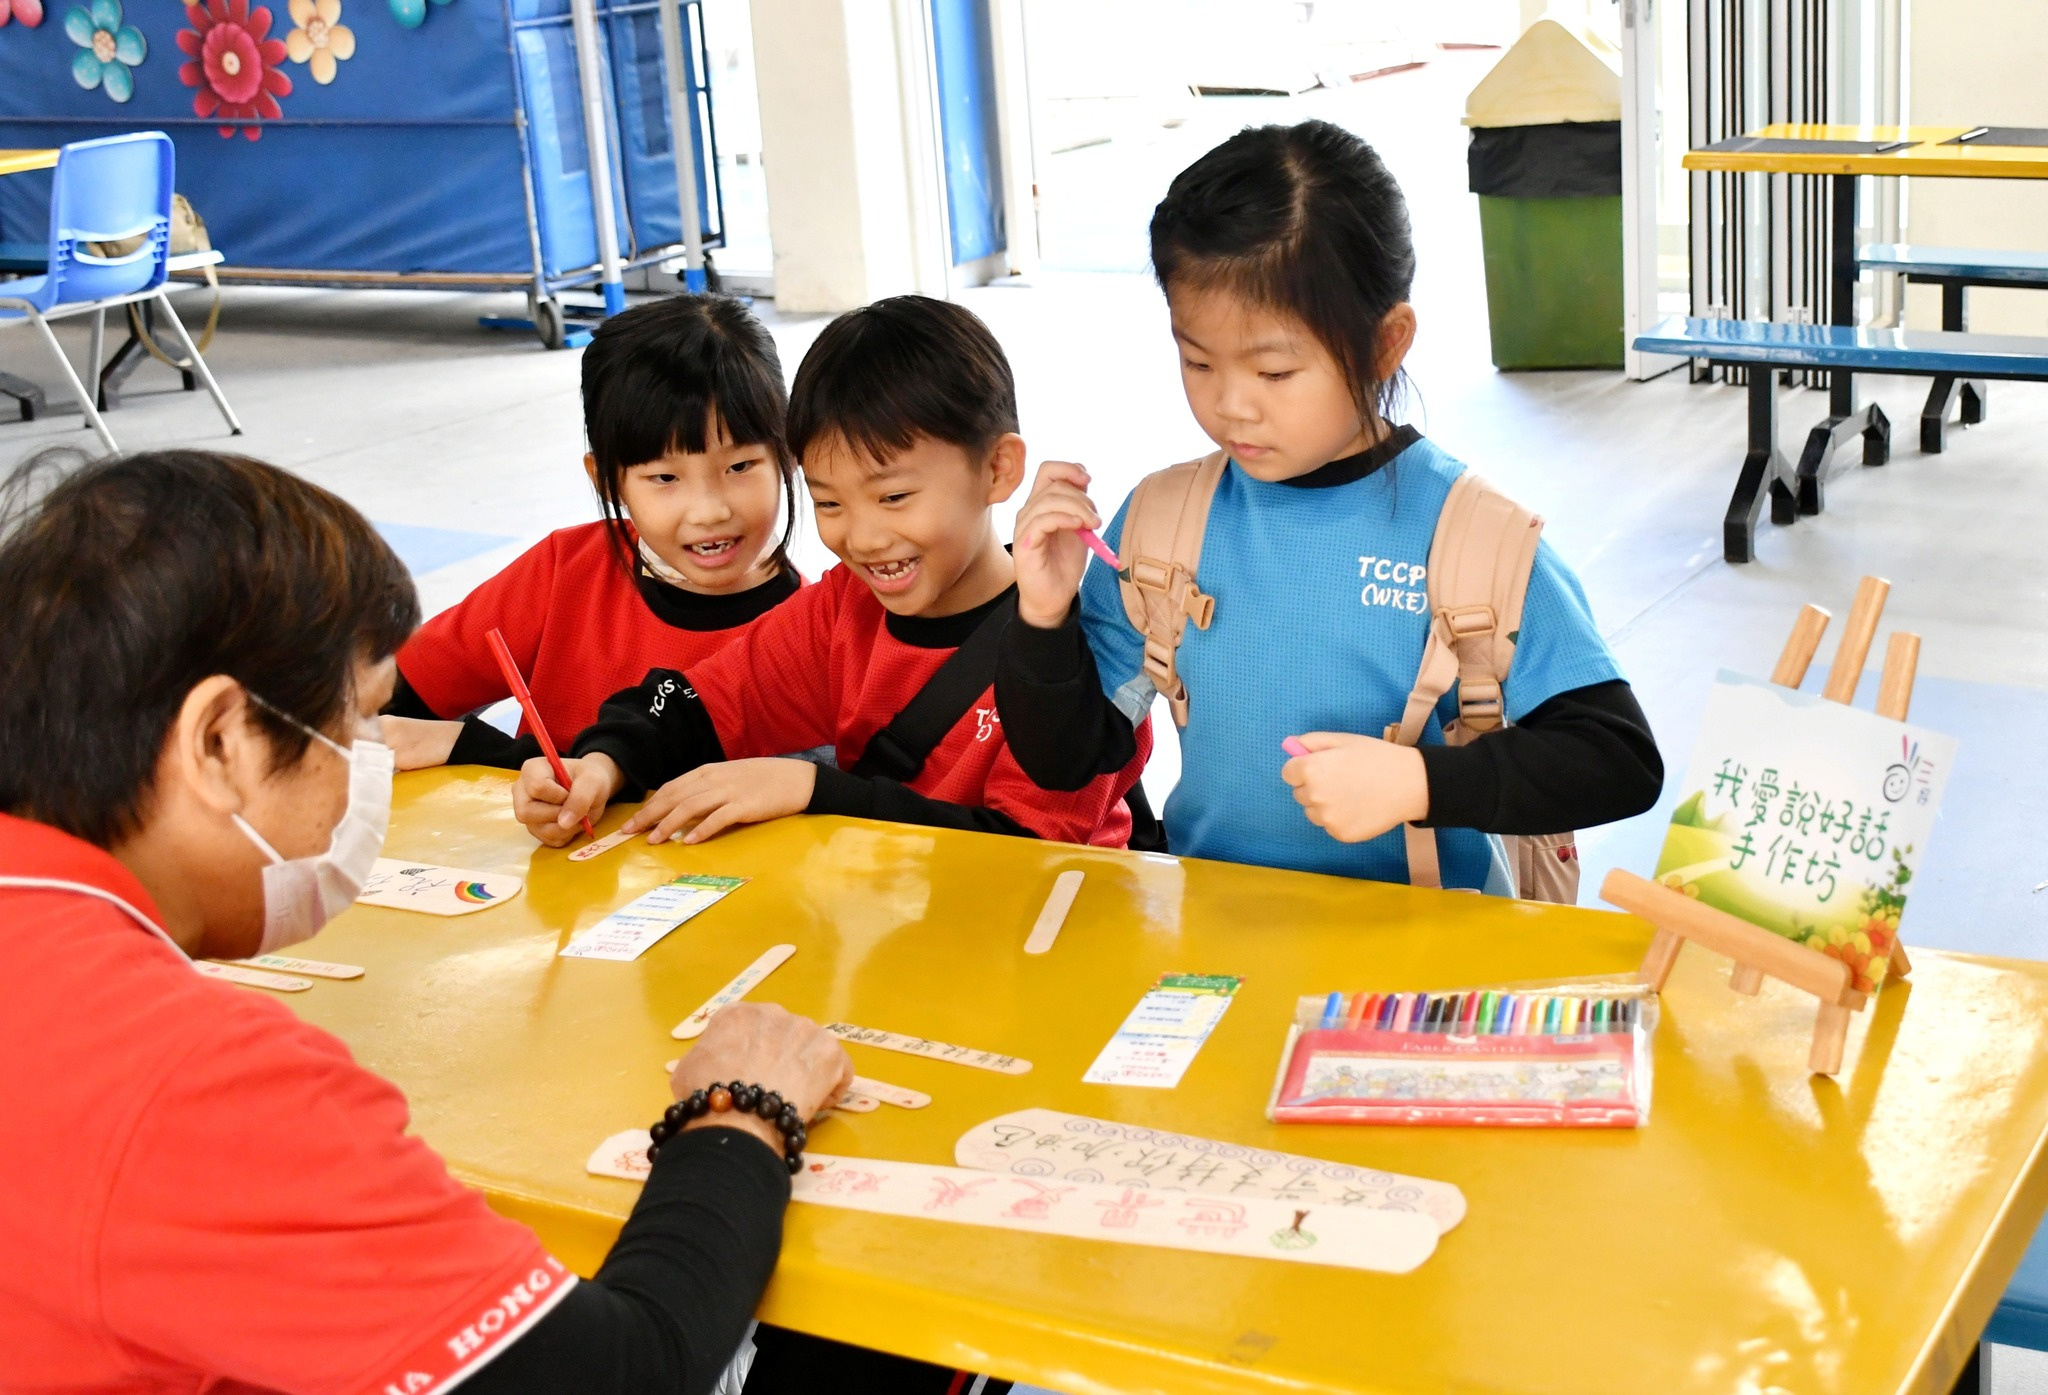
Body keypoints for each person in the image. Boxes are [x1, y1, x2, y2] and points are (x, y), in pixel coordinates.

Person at [0, 448, 853, 1395]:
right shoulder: (193, 1085)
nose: (366, 764)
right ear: (219, 742)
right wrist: (743, 1112)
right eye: (354, 727)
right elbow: (621, 1374)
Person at [997, 120, 1662, 891]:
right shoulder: (1161, 525)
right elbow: (1070, 759)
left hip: (1424, 949)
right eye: (1198, 361)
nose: (1231, 404)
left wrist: (1422, 782)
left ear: (1385, 344)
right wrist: (1042, 619)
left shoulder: (1473, 541)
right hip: (1216, 938)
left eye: (1275, 372)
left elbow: (1620, 758)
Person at [513, 294, 1150, 852]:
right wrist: (603, 762)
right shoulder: (844, 609)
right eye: (829, 503)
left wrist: (815, 789)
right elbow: (697, 703)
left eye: (894, 496)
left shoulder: (1085, 649)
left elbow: (1030, 852)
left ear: (998, 470)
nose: (863, 539)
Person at [381, 294, 805, 772]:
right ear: (607, 480)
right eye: (665, 477)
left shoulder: (816, 632)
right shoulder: (563, 571)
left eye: (740, 466)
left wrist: (477, 749)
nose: (709, 511)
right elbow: (391, 697)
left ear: (789, 454)